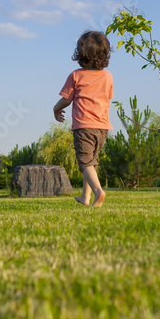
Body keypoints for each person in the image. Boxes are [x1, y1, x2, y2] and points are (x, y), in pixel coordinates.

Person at [53, 30, 113, 207]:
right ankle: (85, 197)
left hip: (84, 126)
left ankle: (98, 191)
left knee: (85, 162)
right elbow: (108, 97)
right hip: (102, 128)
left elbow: (67, 98)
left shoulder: (76, 75)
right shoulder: (108, 76)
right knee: (91, 163)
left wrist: (56, 109)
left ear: (80, 54)